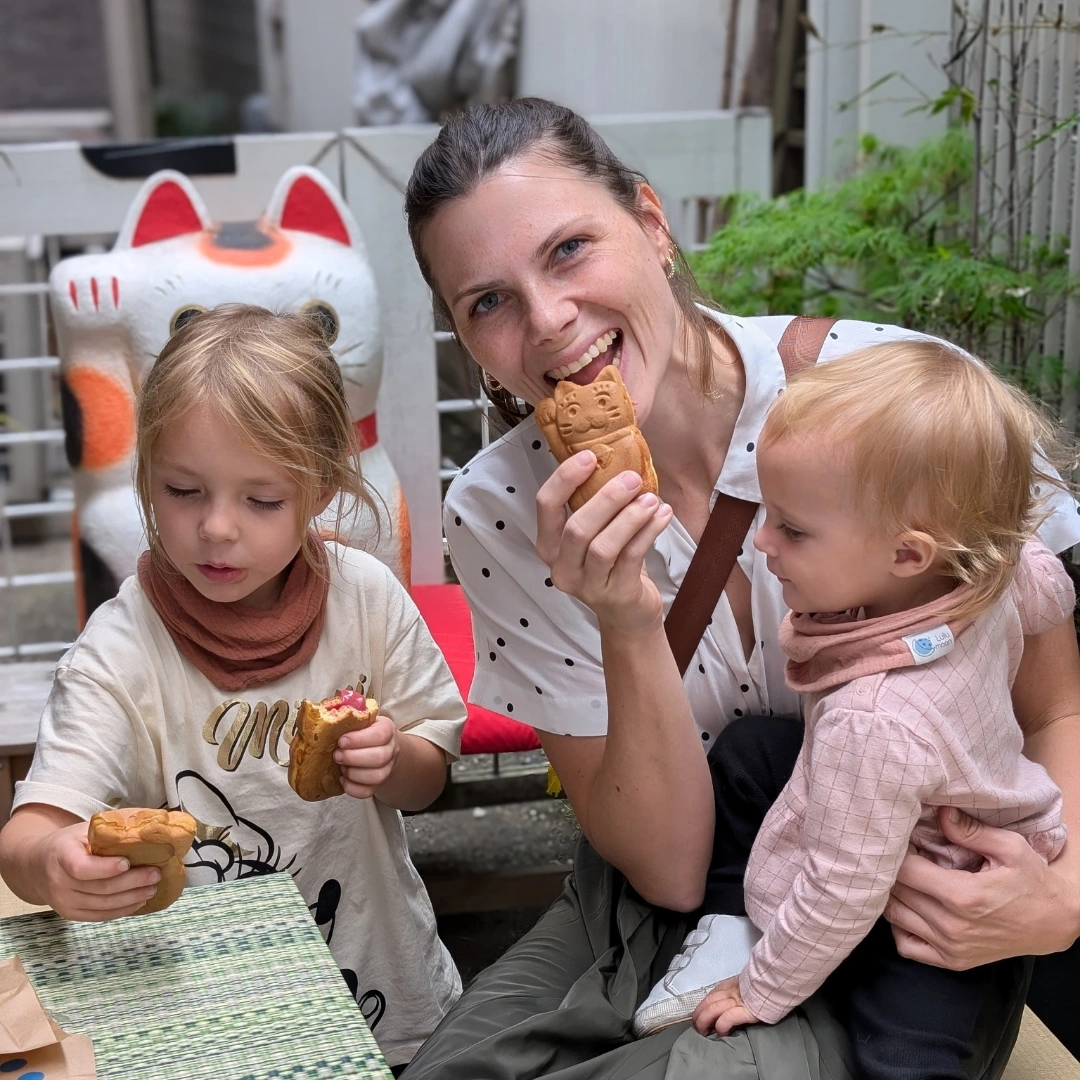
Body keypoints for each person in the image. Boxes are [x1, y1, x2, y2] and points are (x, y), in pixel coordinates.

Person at [399, 98, 1080, 1080]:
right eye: (488, 302)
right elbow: (668, 869)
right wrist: (625, 619)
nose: (548, 322)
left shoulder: (892, 396)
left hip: (907, 897)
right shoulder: (499, 509)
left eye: (569, 250)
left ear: (652, 222)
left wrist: (1063, 893)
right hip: (671, 895)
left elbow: (1058, 698)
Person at [0, 304, 467, 1074]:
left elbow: (429, 776)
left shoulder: (367, 599)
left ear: (318, 489)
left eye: (260, 500)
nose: (218, 528)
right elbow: (27, 834)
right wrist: (53, 862)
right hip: (211, 1015)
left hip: (388, 1001)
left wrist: (395, 761)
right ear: (146, 473)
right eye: (184, 491)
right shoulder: (121, 652)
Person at [626, 341, 1075, 1079]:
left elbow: (841, 888)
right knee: (750, 753)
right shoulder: (997, 567)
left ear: (908, 554)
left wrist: (763, 987)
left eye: (793, 530)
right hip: (926, 793)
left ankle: (758, 955)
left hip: (934, 891)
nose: (761, 542)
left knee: (909, 1047)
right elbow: (1045, 585)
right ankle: (728, 919)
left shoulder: (874, 721)